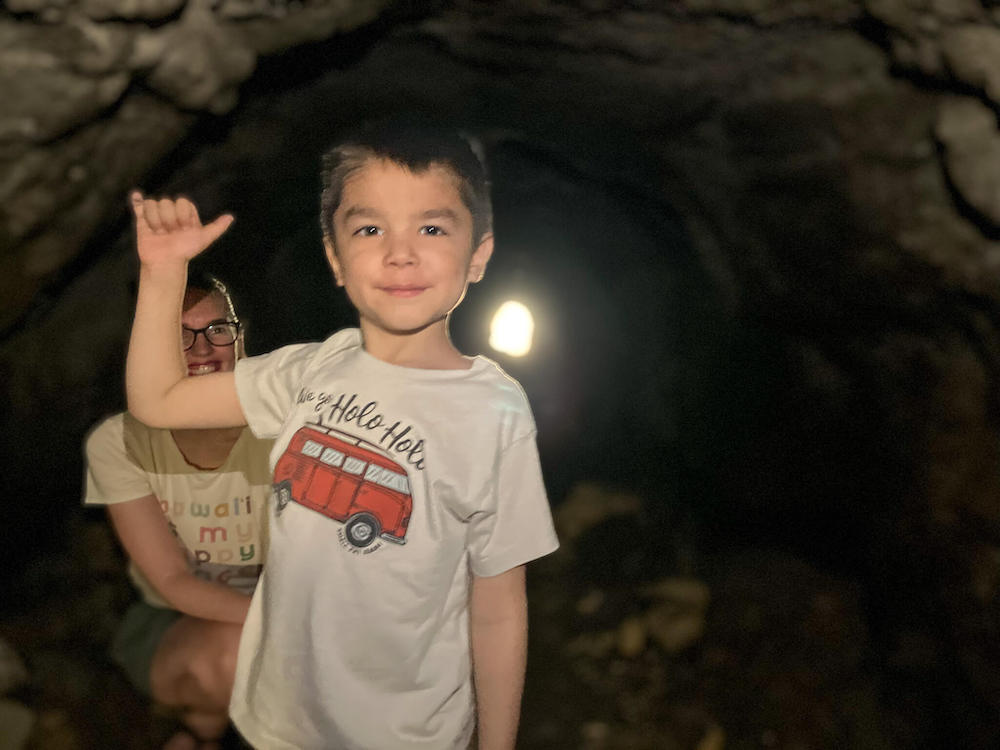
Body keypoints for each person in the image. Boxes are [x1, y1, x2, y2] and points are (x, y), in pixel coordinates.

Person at [125, 120, 560, 749]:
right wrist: (163, 273)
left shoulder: (493, 412)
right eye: (369, 228)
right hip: (280, 719)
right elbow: (159, 401)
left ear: (479, 256)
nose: (400, 252)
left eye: (432, 228)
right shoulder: (311, 368)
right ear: (335, 259)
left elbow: (498, 607)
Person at [84, 273, 272, 750]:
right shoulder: (120, 443)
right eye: (178, 335)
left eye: (216, 329)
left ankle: (201, 731)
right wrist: (283, 621)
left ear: (239, 335)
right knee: (240, 654)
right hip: (173, 620)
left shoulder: (287, 420)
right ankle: (207, 722)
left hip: (284, 601)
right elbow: (172, 581)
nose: (203, 348)